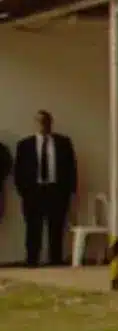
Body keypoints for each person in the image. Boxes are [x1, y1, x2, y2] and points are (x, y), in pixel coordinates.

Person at [14, 111, 77, 266]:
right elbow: (18, 170)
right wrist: (24, 191)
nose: (43, 125)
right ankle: (32, 260)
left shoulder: (63, 142)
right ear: (35, 123)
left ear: (51, 123)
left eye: (46, 121)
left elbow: (71, 167)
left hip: (56, 190)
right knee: (33, 227)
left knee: (56, 227)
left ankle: (55, 259)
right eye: (40, 122)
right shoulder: (25, 145)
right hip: (34, 191)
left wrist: (69, 190)